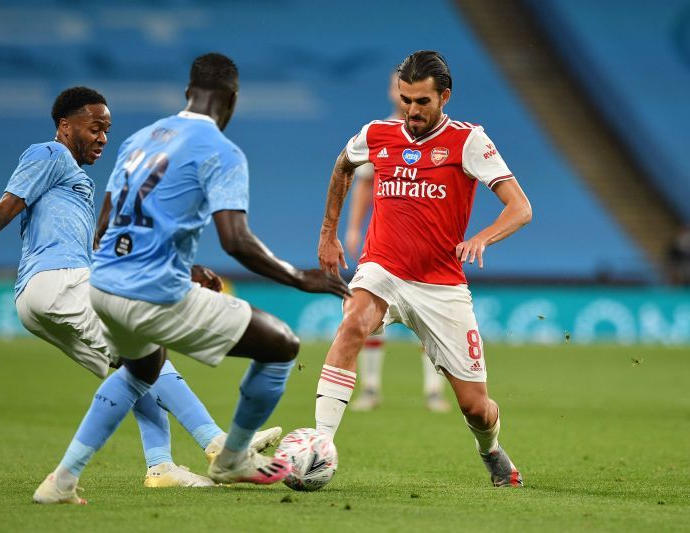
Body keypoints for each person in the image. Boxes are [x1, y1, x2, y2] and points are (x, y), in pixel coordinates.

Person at [0, 86, 280, 491]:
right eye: (95, 128)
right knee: (149, 351)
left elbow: (101, 246)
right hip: (58, 280)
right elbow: (4, 209)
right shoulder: (48, 154)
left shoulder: (74, 182)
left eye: (107, 131)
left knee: (135, 369)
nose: (103, 139)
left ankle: (161, 468)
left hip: (40, 296)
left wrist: (182, 266)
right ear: (65, 125)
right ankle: (218, 444)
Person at [33, 53, 350, 504]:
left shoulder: (140, 140)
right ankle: (232, 456)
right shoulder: (221, 151)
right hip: (151, 292)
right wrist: (300, 277)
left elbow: (105, 227)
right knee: (281, 346)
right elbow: (235, 240)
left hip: (102, 286)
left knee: (141, 371)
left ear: (187, 93)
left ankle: (61, 481)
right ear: (232, 99)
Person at [315, 51, 531, 487]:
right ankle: (319, 450)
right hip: (383, 268)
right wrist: (329, 232)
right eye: (406, 99)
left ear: (444, 97)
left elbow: (520, 207)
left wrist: (482, 237)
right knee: (353, 324)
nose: (412, 111)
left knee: (476, 407)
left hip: (441, 285)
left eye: (422, 102)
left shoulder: (469, 141)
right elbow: (343, 165)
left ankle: (489, 449)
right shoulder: (377, 134)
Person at [344, 71, 450, 413]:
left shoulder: (446, 134)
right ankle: (371, 389)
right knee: (369, 316)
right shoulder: (379, 133)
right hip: (385, 244)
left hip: (429, 247)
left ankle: (434, 390)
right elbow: (362, 183)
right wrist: (353, 228)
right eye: (396, 87)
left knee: (432, 320)